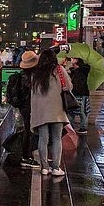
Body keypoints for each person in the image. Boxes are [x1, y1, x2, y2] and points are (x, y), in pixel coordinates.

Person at [30, 48, 72, 177]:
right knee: (56, 138)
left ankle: (44, 167)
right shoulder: (59, 70)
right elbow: (69, 87)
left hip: (41, 111)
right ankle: (55, 167)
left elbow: (33, 94)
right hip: (57, 110)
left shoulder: (36, 73)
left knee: (43, 138)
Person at [6, 50, 38, 167]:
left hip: (23, 106)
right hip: (28, 106)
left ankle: (26, 154)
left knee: (28, 129)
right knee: (29, 130)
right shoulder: (29, 78)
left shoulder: (22, 75)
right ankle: (25, 156)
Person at [67, 57, 91, 134]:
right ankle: (71, 127)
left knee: (82, 111)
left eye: (73, 59)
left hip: (82, 93)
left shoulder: (84, 69)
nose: (72, 60)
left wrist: (76, 68)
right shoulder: (73, 71)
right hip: (74, 93)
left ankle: (83, 127)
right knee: (71, 111)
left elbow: (86, 68)